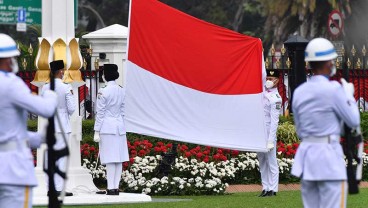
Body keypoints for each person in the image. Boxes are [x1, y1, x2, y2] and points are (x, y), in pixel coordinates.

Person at [291, 38, 360, 208]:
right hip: (329, 160)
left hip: (307, 159)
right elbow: (353, 120)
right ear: (329, 63)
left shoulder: (299, 92)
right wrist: (349, 95)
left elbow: (299, 128)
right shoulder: (335, 90)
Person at [0, 33, 58, 208]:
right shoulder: (10, 83)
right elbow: (46, 109)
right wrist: (50, 93)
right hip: (12, 170)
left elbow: (7, 129)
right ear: (8, 59)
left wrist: (38, 139)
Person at [93, 64, 129, 195]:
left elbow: (100, 113)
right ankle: (115, 187)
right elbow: (123, 111)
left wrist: (96, 130)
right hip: (119, 127)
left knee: (109, 158)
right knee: (118, 158)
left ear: (105, 75)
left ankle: (110, 187)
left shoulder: (103, 91)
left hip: (107, 127)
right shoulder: (121, 90)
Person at [42, 60, 75, 197]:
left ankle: (51, 187)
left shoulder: (45, 87)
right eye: (63, 70)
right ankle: (59, 188)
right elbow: (72, 109)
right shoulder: (66, 87)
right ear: (60, 71)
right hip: (62, 126)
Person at [257, 69, 282, 197]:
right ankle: (265, 187)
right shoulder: (262, 92)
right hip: (260, 131)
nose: (269, 81)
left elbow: (274, 122)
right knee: (262, 160)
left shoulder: (276, 98)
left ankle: (273, 188)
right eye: (268, 78)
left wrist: (271, 140)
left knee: (271, 161)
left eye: (272, 79)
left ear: (277, 81)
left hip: (268, 132)